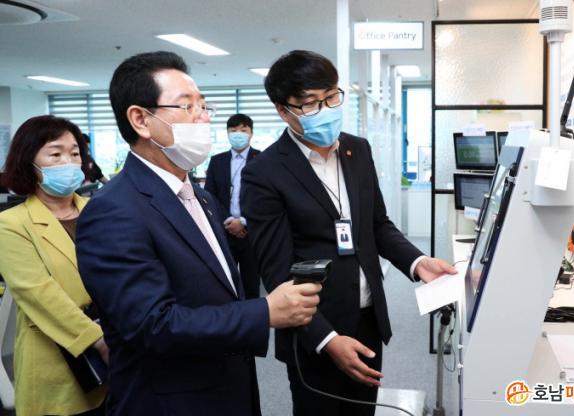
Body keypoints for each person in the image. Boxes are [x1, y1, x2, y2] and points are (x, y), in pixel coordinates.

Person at [75, 51, 321, 416]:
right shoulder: (113, 210)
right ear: (141, 120)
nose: (203, 118)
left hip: (226, 388)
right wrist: (264, 312)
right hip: (172, 402)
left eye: (204, 106)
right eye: (188, 106)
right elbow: (152, 325)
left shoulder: (201, 198)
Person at [241, 50, 457, 416]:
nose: (326, 110)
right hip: (314, 330)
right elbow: (277, 274)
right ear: (283, 110)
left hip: (367, 318)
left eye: (331, 97)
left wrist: (418, 262)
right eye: (311, 104)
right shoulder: (264, 173)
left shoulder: (357, 149)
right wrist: (327, 339)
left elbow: (377, 225)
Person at [0, 115, 108, 416]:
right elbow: (39, 293)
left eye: (74, 153)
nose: (68, 162)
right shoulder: (11, 224)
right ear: (28, 161)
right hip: (58, 360)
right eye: (55, 154)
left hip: (121, 354)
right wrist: (98, 341)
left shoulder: (100, 211)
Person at [205, 114, 261, 299]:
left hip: (251, 233)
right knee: (225, 282)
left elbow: (264, 198)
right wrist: (229, 220)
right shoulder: (217, 161)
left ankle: (254, 315)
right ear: (227, 133)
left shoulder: (262, 159)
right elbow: (209, 196)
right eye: (234, 130)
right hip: (224, 231)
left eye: (243, 130)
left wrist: (243, 221)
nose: (238, 134)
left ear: (251, 133)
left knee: (251, 283)